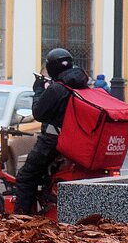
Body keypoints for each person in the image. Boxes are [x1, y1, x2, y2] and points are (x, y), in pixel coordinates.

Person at [15, 48, 90, 214]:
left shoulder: (58, 88)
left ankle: (21, 220)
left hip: (53, 141)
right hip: (75, 141)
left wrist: (39, 90)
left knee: (25, 177)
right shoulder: (82, 84)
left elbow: (39, 113)